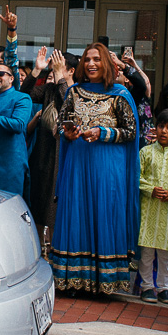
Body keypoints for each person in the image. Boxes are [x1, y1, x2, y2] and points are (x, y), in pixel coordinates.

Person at [50, 43, 140, 295]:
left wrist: (103, 132)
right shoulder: (74, 92)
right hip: (78, 163)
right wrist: (68, 132)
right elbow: (62, 123)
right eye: (87, 59)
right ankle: (72, 280)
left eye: (97, 60)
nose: (91, 64)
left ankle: (103, 282)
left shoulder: (120, 94)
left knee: (103, 212)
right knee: (76, 211)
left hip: (107, 166)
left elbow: (131, 133)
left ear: (107, 64)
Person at [136, 110, 168, 302]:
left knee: (167, 253)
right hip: (148, 210)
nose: (164, 131)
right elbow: (136, 177)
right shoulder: (145, 152)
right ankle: (147, 287)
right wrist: (150, 189)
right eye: (161, 126)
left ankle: (164, 288)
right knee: (147, 252)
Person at [26, 48, 73, 242]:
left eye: (60, 68)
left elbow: (69, 102)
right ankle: (40, 250)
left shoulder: (78, 90)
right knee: (39, 201)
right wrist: (37, 70)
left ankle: (56, 251)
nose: (54, 72)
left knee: (58, 206)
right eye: (54, 68)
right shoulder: (49, 89)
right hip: (44, 153)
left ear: (71, 71)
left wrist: (61, 78)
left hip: (65, 154)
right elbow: (25, 93)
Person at [0, 57, 31, 195]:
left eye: (0, 74)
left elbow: (18, 125)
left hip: (10, 164)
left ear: (11, 78)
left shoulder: (22, 98)